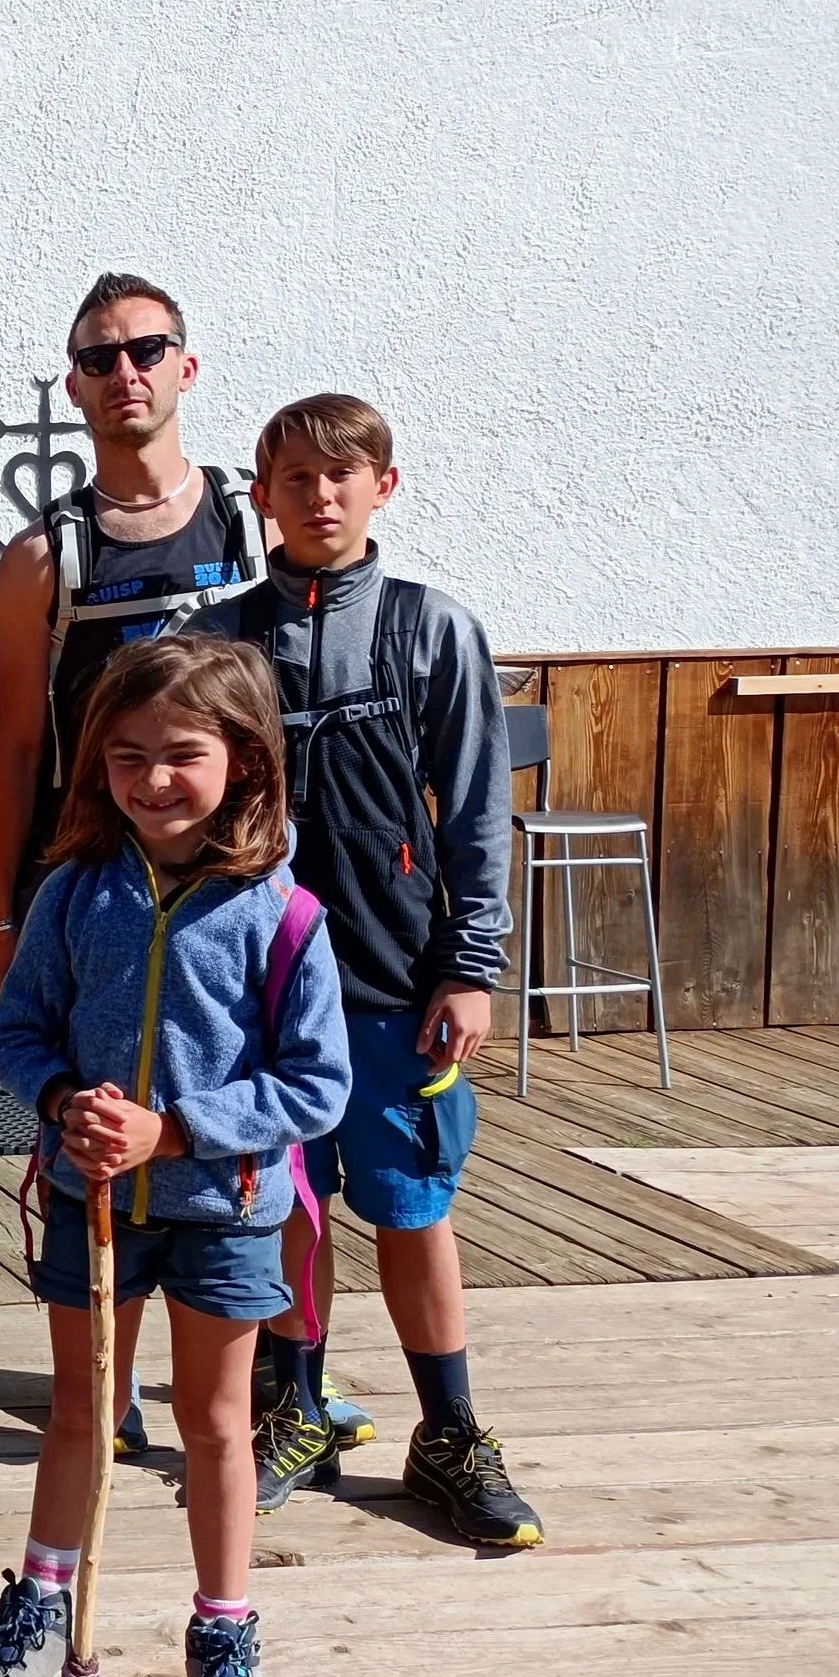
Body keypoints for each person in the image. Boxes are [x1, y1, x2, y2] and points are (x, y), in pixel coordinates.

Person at [0, 635, 348, 1677]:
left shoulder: (280, 918)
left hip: (224, 1207)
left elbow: (316, 1083)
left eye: (180, 754)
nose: (150, 780)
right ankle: (38, 1608)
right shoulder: (74, 892)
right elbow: (17, 1030)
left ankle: (224, 1635)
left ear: (245, 760)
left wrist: (174, 1130)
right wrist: (57, 1101)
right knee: (82, 1409)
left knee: (215, 1422)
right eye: (125, 757)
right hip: (92, 1206)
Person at [195, 394, 542, 1548]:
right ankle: (292, 1404)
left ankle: (447, 1430)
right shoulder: (220, 635)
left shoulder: (429, 628)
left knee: (410, 1207)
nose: (319, 495)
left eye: (342, 475)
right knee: (290, 1210)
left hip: (399, 982)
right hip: (260, 992)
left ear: (383, 487)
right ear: (261, 496)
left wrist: (471, 967)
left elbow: (477, 811)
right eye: (294, 478)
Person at [0, 273, 269, 1019]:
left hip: (242, 870)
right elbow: (14, 747)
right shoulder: (42, 557)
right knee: (86, 1108)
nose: (125, 374)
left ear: (186, 368)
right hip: (99, 878)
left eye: (146, 350)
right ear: (73, 386)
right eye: (99, 360)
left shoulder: (257, 527)